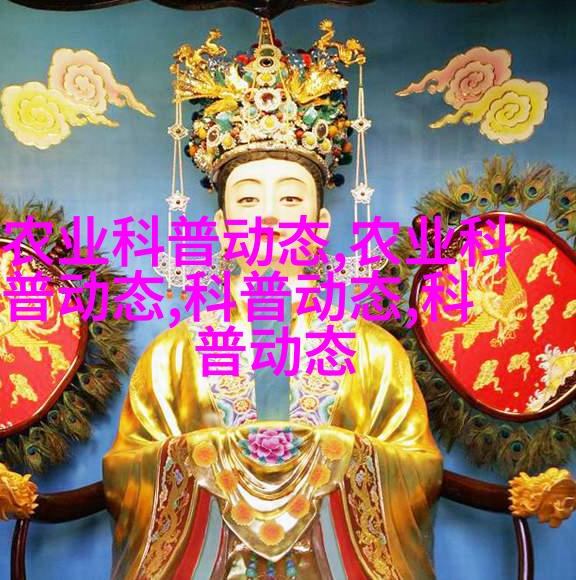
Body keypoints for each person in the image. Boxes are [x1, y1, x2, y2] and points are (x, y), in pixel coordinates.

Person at [103, 18, 442, 580]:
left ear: (320, 222)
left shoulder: (375, 353)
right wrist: (209, 454)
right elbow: (126, 471)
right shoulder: (174, 355)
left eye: (289, 199)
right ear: (221, 227)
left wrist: (333, 451)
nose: (268, 217)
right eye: (246, 200)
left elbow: (420, 468)